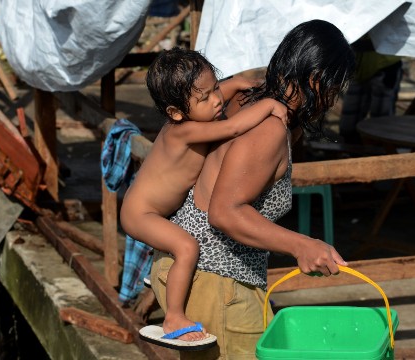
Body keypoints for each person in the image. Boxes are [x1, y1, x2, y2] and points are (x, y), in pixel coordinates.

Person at [149, 19, 355, 358]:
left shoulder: (247, 100)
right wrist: (302, 245)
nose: (332, 99)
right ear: (316, 79)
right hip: (215, 279)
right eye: (333, 88)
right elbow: (224, 212)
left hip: (194, 270)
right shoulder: (269, 130)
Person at [120, 47, 288, 346]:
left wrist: (237, 82)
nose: (216, 101)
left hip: (158, 210)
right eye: (205, 98)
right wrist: (269, 106)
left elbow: (214, 92)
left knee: (182, 246)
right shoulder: (182, 131)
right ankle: (173, 315)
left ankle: (171, 279)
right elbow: (235, 126)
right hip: (141, 213)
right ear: (175, 112)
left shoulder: (194, 109)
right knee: (187, 247)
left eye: (215, 89)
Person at [338, 36, 402, 144]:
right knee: (348, 126)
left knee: (381, 125)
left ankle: (379, 154)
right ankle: (352, 153)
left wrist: (355, 42)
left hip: (385, 67)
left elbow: (393, 35)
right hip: (358, 67)